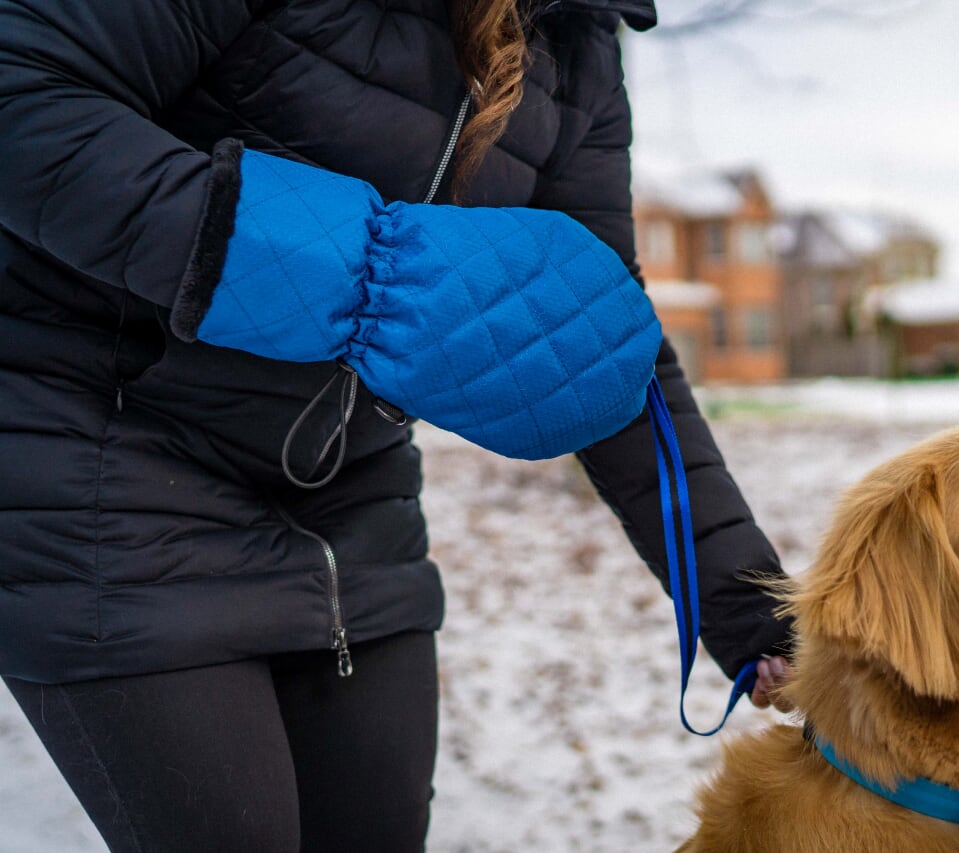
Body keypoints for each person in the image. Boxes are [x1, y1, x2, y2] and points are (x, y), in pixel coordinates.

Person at [0, 1, 794, 850]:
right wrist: (361, 271)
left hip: (351, 491)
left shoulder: (578, 40)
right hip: (104, 459)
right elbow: (23, 89)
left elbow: (598, 334)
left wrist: (753, 611)